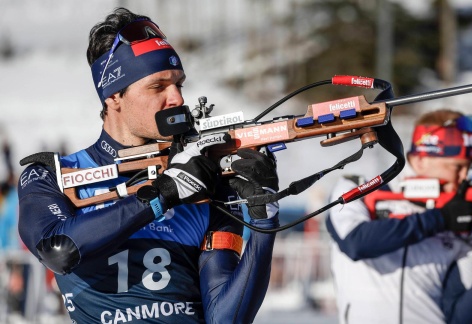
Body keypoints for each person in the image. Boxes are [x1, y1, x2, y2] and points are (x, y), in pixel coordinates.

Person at [17, 7, 279, 323]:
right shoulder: (51, 175)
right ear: (114, 96)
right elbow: (59, 250)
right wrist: (163, 194)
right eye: (158, 86)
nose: (176, 99)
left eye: (179, 84)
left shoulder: (206, 182)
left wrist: (265, 224)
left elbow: (226, 318)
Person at [326, 108, 472, 323]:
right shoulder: (355, 188)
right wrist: (439, 219)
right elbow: (356, 243)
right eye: (457, 166)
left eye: (469, 167)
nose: (464, 177)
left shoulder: (463, 219)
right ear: (420, 160)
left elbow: (461, 317)